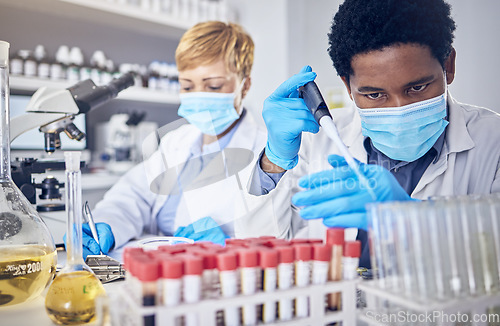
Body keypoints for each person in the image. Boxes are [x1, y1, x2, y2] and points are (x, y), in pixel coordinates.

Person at [247, 0, 500, 268]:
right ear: (348, 86)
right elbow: (259, 249)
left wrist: (414, 219)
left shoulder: (492, 141)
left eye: (417, 88)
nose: (400, 108)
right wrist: (274, 160)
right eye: (375, 94)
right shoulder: (317, 141)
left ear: (448, 66)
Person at [77, 21, 273, 258]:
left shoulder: (268, 151)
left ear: (245, 86)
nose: (199, 96)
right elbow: (133, 195)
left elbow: (280, 228)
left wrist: (233, 243)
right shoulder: (176, 142)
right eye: (188, 86)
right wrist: (106, 224)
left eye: (213, 86)